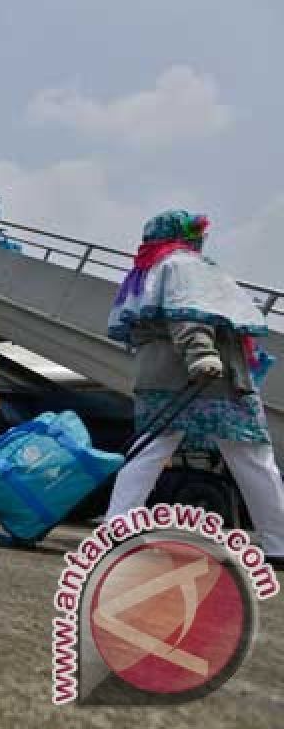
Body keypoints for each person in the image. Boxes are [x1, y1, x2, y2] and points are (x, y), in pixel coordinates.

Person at [104, 211, 284, 563]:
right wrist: (202, 354)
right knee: (253, 457)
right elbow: (188, 312)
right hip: (207, 378)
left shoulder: (149, 269)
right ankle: (279, 544)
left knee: (149, 451)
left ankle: (115, 529)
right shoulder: (184, 265)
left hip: (159, 375)